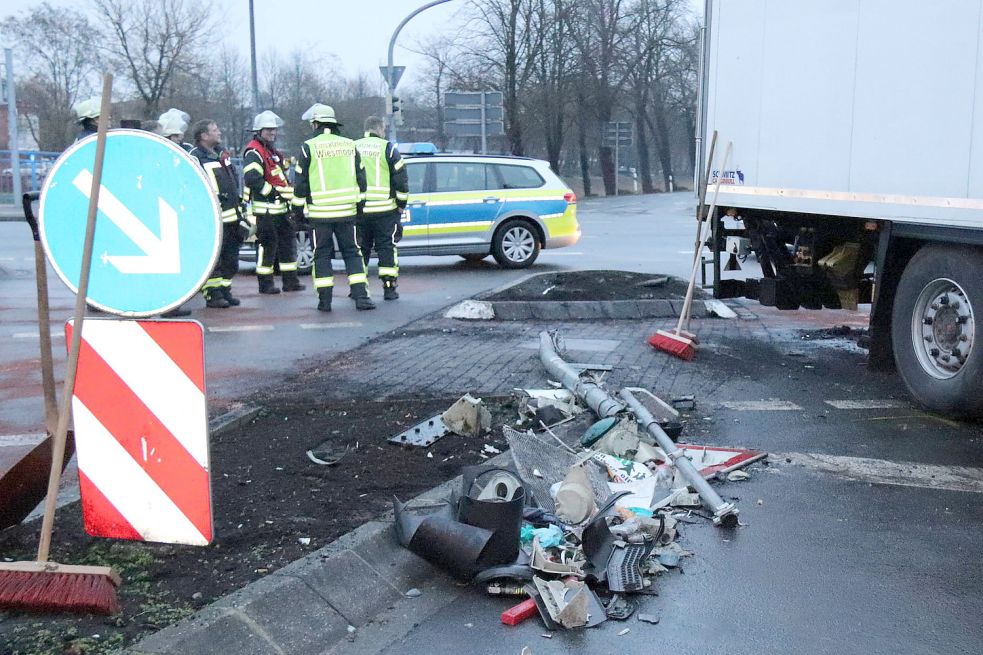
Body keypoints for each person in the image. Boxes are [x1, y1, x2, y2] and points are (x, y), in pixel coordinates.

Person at [291, 103, 373, 312]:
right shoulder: (349, 144)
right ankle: (361, 297)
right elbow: (361, 178)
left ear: (316, 124)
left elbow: (300, 184)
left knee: (322, 255)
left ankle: (325, 301)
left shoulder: (309, 146)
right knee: (353, 254)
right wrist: (360, 206)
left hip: (320, 215)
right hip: (347, 213)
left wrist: (298, 213)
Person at [242, 111, 305, 294]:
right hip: (267, 210)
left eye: (274, 130)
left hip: (281, 209)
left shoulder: (268, 150)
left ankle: (290, 281)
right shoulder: (254, 151)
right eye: (269, 130)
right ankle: (265, 284)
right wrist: (273, 193)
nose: (272, 133)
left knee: (287, 245)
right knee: (267, 247)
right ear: (259, 130)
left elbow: (276, 170)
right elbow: (252, 178)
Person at [190, 119, 248, 309]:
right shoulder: (195, 157)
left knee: (230, 258)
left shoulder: (221, 154)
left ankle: (225, 290)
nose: (219, 132)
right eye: (215, 130)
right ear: (204, 136)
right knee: (215, 259)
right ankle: (212, 294)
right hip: (213, 218)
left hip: (232, 216)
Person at [354, 116, 408, 300]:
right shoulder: (388, 148)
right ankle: (389, 288)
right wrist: (401, 205)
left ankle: (358, 289)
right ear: (378, 129)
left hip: (360, 210)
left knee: (361, 249)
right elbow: (400, 180)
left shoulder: (353, 147)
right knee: (386, 248)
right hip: (385, 210)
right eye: (383, 129)